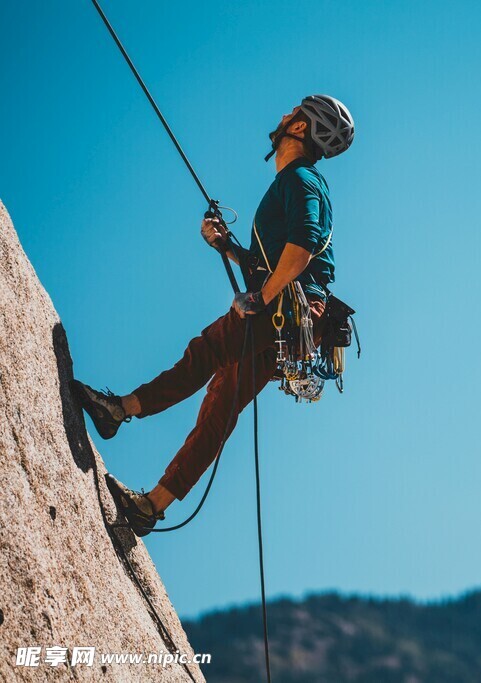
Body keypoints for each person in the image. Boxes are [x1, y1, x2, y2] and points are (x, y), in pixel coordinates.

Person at [72, 95, 355, 536]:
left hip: (285, 309)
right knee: (220, 406)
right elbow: (281, 258)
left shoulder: (300, 180)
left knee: (204, 354)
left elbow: (300, 250)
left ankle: (118, 410)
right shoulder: (296, 182)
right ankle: (152, 506)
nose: (282, 115)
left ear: (299, 128)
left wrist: (260, 298)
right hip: (297, 324)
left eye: (291, 113)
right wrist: (226, 246)